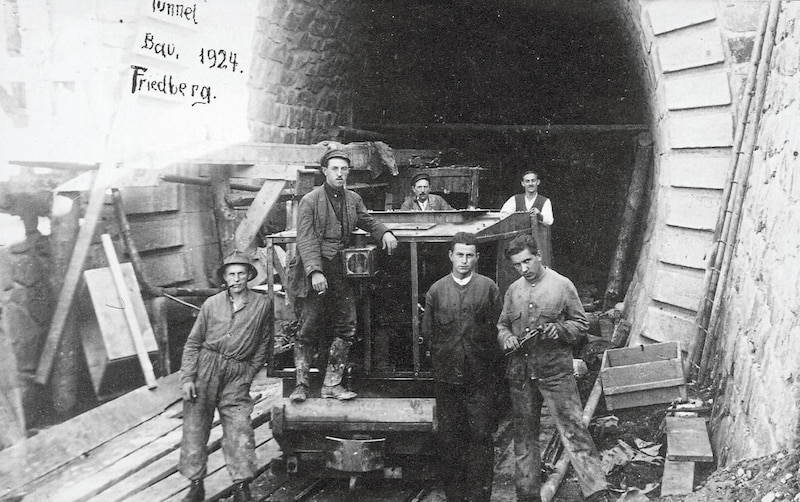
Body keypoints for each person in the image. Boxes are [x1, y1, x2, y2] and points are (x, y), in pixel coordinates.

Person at [497, 234, 612, 502]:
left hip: (556, 373)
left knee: (574, 431)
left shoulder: (562, 285)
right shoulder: (514, 291)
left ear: (539, 256)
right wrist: (507, 338)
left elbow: (582, 325)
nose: (523, 269)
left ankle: (596, 492)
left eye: (527, 261)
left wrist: (559, 330)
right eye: (517, 265)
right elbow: (502, 325)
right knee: (524, 438)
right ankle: (527, 495)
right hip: (522, 374)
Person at [288, 148, 398, 402]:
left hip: (340, 271)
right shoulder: (310, 201)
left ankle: (332, 384)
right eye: (334, 169)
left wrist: (385, 233)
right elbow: (305, 240)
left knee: (347, 325)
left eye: (344, 169)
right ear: (325, 171)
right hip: (312, 271)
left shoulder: (353, 199)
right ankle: (301, 385)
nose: (339, 174)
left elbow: (368, 221)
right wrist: (315, 272)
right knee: (308, 327)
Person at [179, 252, 272, 502]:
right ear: (225, 278)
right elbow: (193, 343)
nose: (237, 278)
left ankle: (242, 486)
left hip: (237, 374)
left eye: (241, 273)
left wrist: (248, 373)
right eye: (231, 274)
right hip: (205, 369)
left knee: (240, 427)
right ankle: (195, 484)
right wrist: (188, 377)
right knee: (195, 428)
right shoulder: (211, 305)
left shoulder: (262, 304)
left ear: (249, 276)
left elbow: (264, 343)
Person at [421, 232, 502, 502]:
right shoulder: (436, 290)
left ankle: (480, 497)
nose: (464, 261)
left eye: (470, 255)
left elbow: (498, 331)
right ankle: (454, 496)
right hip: (447, 379)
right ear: (450, 257)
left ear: (477, 258)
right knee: (450, 440)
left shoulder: (488, 288)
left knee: (480, 436)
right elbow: (428, 332)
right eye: (460, 255)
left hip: (480, 378)